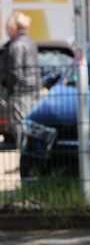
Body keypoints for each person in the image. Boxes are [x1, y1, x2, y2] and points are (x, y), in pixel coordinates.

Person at [1, 12, 41, 146]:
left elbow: (14, 71)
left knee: (19, 125)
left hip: (19, 92)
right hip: (32, 89)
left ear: (13, 27)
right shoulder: (30, 42)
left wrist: (8, 88)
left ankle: (23, 152)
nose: (5, 28)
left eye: (6, 25)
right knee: (28, 123)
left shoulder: (16, 45)